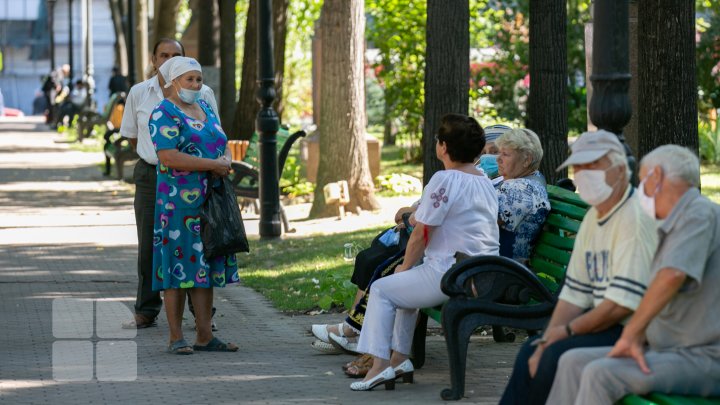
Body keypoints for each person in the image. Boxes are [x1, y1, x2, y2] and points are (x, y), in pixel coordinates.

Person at [547, 145, 720, 404]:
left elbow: (672, 275)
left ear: (657, 176)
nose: (640, 187)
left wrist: (631, 335)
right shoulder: (672, 222)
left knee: (600, 374)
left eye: (642, 176)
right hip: (669, 351)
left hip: (702, 357)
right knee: (572, 361)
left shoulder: (698, 212)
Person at [341, 113, 500, 391]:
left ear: (443, 147)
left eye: (439, 140)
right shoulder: (484, 181)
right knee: (404, 292)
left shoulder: (445, 179)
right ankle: (400, 359)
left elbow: (420, 233)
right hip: (483, 271)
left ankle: (378, 367)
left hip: (452, 273)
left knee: (382, 289)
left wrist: (405, 266)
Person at [498, 130, 659, 405]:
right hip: (605, 321)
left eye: (592, 167)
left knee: (555, 355)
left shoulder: (634, 219)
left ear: (618, 170)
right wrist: (548, 337)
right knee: (533, 350)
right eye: (579, 167)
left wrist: (565, 333)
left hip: (639, 332)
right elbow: (574, 292)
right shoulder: (596, 218)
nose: (584, 174)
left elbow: (621, 306)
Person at [120, 38, 219, 330]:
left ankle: (201, 315)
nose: (168, 59)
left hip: (194, 177)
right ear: (154, 60)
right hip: (153, 175)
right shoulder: (140, 92)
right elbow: (133, 136)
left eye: (176, 55)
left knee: (196, 244)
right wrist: (160, 157)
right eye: (163, 55)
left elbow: (214, 130)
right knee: (151, 242)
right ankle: (146, 309)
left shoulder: (204, 92)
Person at [149, 56, 237, 355]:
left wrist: (224, 158)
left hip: (209, 200)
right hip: (178, 205)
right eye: (189, 80)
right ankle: (176, 337)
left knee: (204, 266)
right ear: (174, 82)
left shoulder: (205, 108)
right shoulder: (164, 113)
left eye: (198, 79)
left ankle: (204, 336)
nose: (196, 85)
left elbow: (220, 138)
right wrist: (212, 164)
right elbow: (168, 156)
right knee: (177, 267)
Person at [494, 128, 550, 262]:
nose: (498, 159)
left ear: (527, 160)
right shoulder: (533, 178)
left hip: (501, 268)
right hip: (499, 265)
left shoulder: (522, 189)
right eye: (499, 153)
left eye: (505, 154)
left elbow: (482, 221)